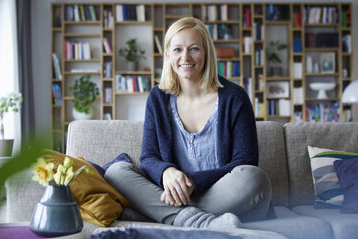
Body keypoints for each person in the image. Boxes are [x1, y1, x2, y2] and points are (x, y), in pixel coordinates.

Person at [105, 17, 272, 231]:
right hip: (180, 196)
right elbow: (148, 157)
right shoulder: (158, 98)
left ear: (207, 53)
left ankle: (163, 214)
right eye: (177, 50)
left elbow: (244, 160)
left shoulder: (234, 97)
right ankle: (201, 222)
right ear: (167, 55)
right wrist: (167, 172)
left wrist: (189, 183)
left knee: (254, 178)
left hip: (221, 194)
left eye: (194, 49)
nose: (185, 57)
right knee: (116, 172)